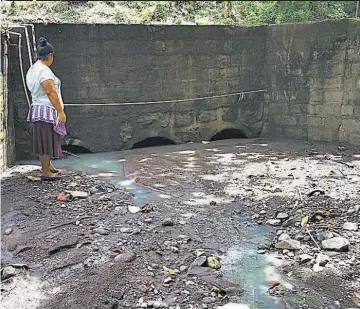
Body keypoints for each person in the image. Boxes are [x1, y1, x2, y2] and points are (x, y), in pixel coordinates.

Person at [26, 37, 67, 181]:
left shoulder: (33, 69)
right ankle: (45, 172)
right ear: (49, 56)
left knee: (45, 138)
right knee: (46, 140)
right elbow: (50, 92)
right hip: (46, 109)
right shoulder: (44, 71)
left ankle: (48, 166)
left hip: (38, 107)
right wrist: (60, 112)